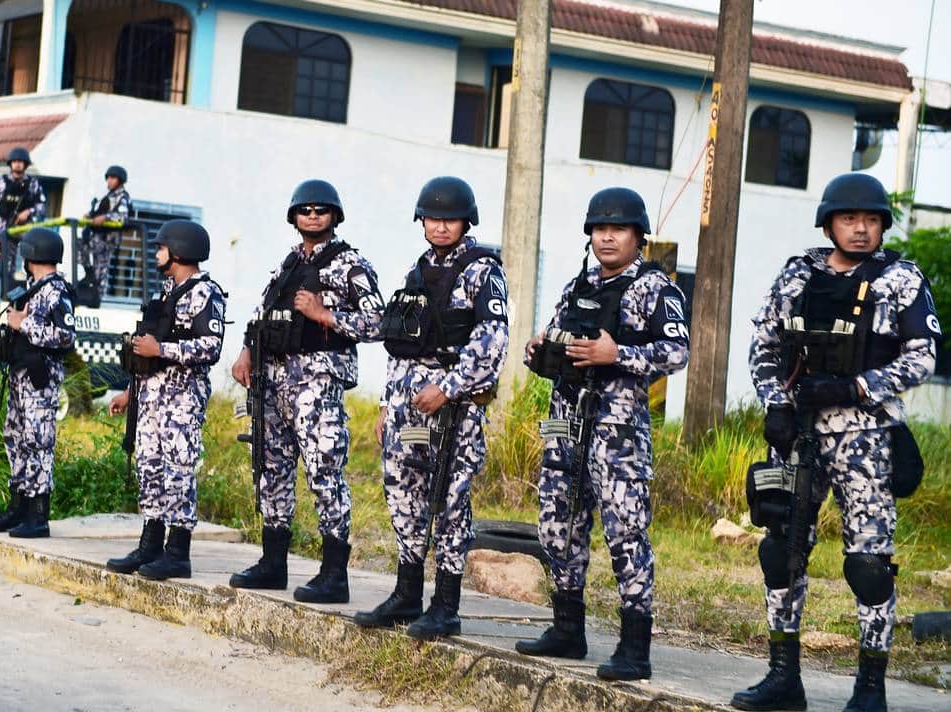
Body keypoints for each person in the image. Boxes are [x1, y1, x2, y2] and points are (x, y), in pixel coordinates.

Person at [731, 173, 940, 712]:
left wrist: (858, 386)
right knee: (781, 551)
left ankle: (870, 686)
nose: (861, 229)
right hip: (798, 434)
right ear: (829, 223)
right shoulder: (798, 274)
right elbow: (765, 342)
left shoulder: (900, 279)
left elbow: (923, 355)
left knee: (868, 563)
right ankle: (783, 676)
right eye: (850, 220)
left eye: (871, 220)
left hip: (866, 435)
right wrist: (775, 402)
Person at [514, 187, 690, 681]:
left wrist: (619, 357)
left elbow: (677, 353)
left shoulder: (657, 289)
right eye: (599, 228)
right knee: (557, 525)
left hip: (618, 432)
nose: (607, 237)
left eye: (619, 229)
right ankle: (567, 629)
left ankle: (635, 648)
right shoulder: (578, 285)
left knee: (625, 535)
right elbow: (556, 336)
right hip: (564, 423)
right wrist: (540, 349)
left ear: (638, 236)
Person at [353, 176, 508, 640]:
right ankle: (406, 593)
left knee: (450, 501)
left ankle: (446, 605)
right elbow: (399, 343)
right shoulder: (418, 270)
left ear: (466, 221)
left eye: (449, 219)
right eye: (433, 218)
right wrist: (386, 405)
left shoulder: (482, 272)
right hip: (407, 410)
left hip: (453, 411)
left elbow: (492, 341)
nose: (440, 226)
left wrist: (449, 386)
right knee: (404, 495)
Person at [230, 179, 384, 603]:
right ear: (294, 217)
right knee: (271, 469)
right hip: (273, 382)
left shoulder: (351, 264)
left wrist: (324, 314)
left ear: (334, 215)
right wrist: (245, 352)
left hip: (316, 384)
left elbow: (378, 322)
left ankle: (334, 574)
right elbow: (262, 314)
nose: (313, 215)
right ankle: (272, 563)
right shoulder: (287, 264)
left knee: (324, 473)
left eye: (321, 209)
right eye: (305, 210)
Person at [106, 219, 226, 580]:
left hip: (181, 399)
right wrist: (131, 391)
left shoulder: (206, 292)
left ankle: (178, 552)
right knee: (150, 469)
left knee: (178, 470)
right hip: (151, 396)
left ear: (179, 251)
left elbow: (211, 346)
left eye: (161, 248)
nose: (156, 254)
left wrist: (164, 348)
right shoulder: (166, 290)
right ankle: (150, 544)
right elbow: (148, 348)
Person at [0, 227, 76, 539]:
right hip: (19, 378)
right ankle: (18, 506)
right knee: (15, 438)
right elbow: (17, 331)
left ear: (32, 255)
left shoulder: (57, 292)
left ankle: (38, 515)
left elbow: (66, 337)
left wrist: (25, 324)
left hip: (39, 381)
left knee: (38, 442)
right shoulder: (32, 289)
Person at [0, 146, 47, 287]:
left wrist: (28, 212)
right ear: (10, 163)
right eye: (15, 161)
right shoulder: (0, 182)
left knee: (31, 260)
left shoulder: (33, 184)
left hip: (25, 229)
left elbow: (42, 206)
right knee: (4, 263)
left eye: (21, 161)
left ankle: (31, 288)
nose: (18, 164)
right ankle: (4, 291)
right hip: (5, 227)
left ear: (26, 164)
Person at [80, 165, 132, 297]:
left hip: (107, 239)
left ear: (120, 180)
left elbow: (123, 217)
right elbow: (98, 212)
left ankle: (97, 295)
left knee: (100, 270)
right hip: (95, 237)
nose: (109, 181)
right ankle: (89, 278)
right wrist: (90, 215)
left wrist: (106, 217)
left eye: (112, 178)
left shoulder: (123, 197)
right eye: (108, 178)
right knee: (82, 250)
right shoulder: (107, 197)